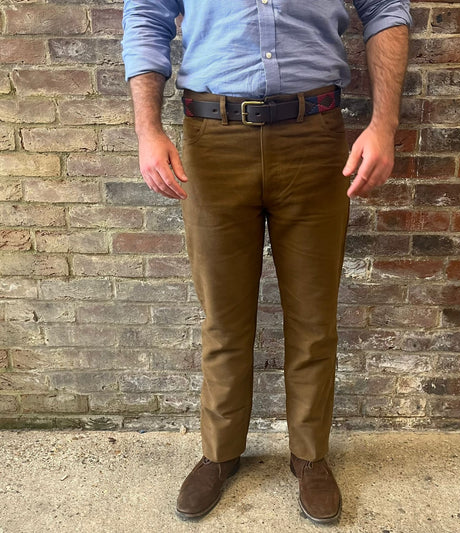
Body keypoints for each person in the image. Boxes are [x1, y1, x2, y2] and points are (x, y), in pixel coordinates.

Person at [122, 0, 411, 524]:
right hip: (212, 136)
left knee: (314, 318)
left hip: (316, 133)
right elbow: (146, 14)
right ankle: (220, 452)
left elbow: (386, 8)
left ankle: (310, 456)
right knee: (224, 319)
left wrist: (384, 123)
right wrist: (147, 130)